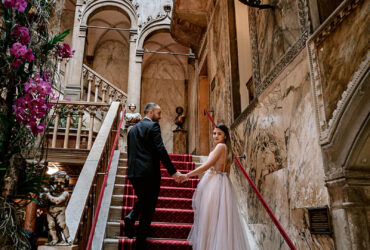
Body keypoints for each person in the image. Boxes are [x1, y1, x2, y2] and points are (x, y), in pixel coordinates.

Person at [125, 102, 185, 250]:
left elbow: (131, 152)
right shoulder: (153, 126)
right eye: (159, 113)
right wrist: (173, 171)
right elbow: (160, 150)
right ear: (150, 113)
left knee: (144, 200)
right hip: (149, 174)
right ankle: (139, 244)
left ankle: (132, 216)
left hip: (134, 173)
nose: (161, 116)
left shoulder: (132, 130)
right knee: (148, 209)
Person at [184, 124, 251, 250]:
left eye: (219, 133)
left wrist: (187, 175)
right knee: (220, 220)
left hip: (215, 184)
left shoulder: (220, 147)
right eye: (214, 133)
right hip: (222, 182)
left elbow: (206, 166)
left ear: (225, 136)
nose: (216, 136)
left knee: (211, 219)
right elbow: (227, 172)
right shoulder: (227, 149)